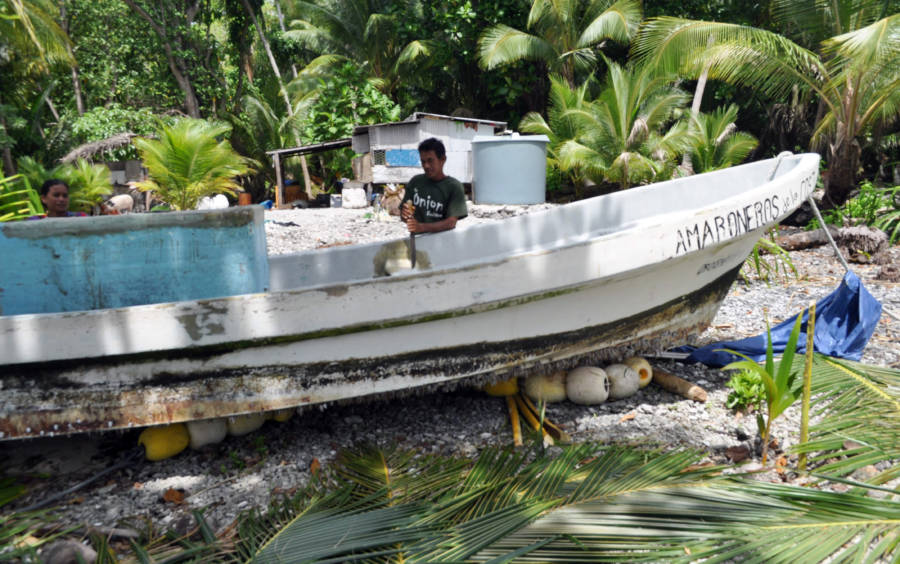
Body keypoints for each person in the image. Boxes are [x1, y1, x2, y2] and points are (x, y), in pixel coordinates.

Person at [400, 138, 467, 233]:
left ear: (443, 160)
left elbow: (451, 222)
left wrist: (421, 227)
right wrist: (405, 215)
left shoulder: (454, 187)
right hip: (417, 241)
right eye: (423, 161)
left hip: (443, 242)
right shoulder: (415, 182)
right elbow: (405, 216)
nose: (426, 166)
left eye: (430, 160)